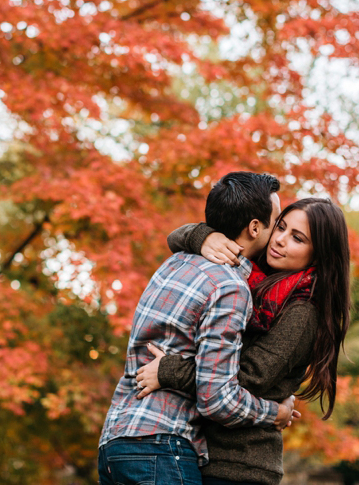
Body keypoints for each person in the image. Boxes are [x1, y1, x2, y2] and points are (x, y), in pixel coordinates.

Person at [135, 197, 352, 485]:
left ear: (319, 255)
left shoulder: (303, 312)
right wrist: (204, 237)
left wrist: (170, 370)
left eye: (297, 238)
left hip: (238, 465)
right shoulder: (251, 276)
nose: (280, 240)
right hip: (199, 452)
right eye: (281, 227)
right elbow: (176, 238)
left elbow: (243, 379)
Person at [98, 172, 297, 485]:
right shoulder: (230, 287)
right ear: (255, 228)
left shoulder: (175, 262)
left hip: (115, 442)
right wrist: (275, 414)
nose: (278, 236)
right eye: (276, 223)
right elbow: (217, 398)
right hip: (162, 446)